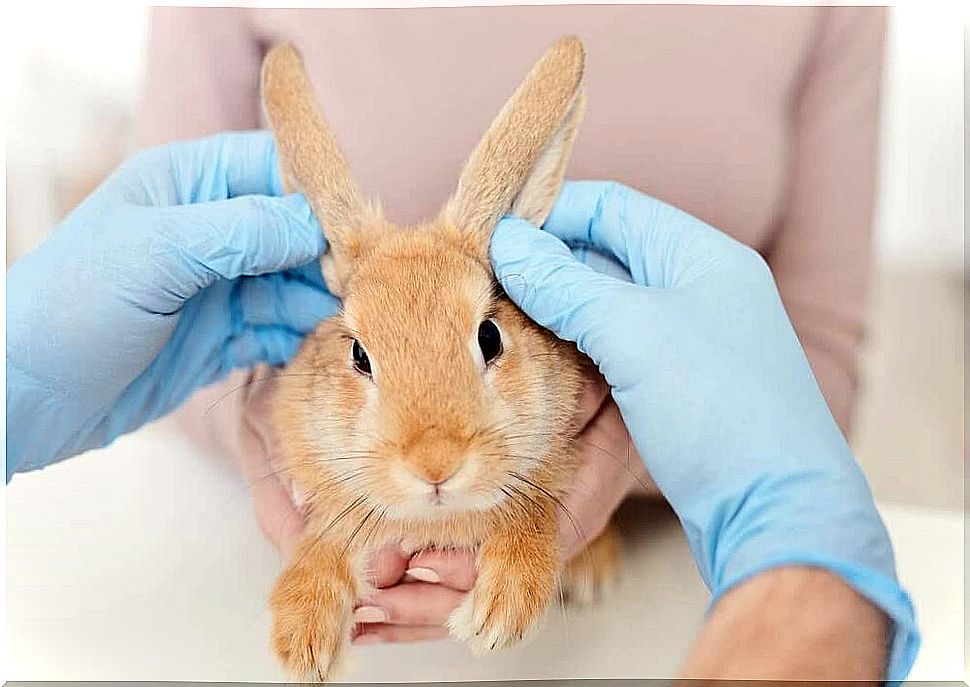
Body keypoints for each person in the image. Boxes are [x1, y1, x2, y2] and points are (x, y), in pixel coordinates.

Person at [7, 132, 918, 680]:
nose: (433, 454)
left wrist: (617, 480)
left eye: (486, 342)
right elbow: (203, 332)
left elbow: (817, 360)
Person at [138, 7, 891, 629]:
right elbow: (165, 325)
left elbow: (818, 365)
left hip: (665, 587)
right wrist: (291, 449)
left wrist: (626, 441)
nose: (434, 453)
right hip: (226, 579)